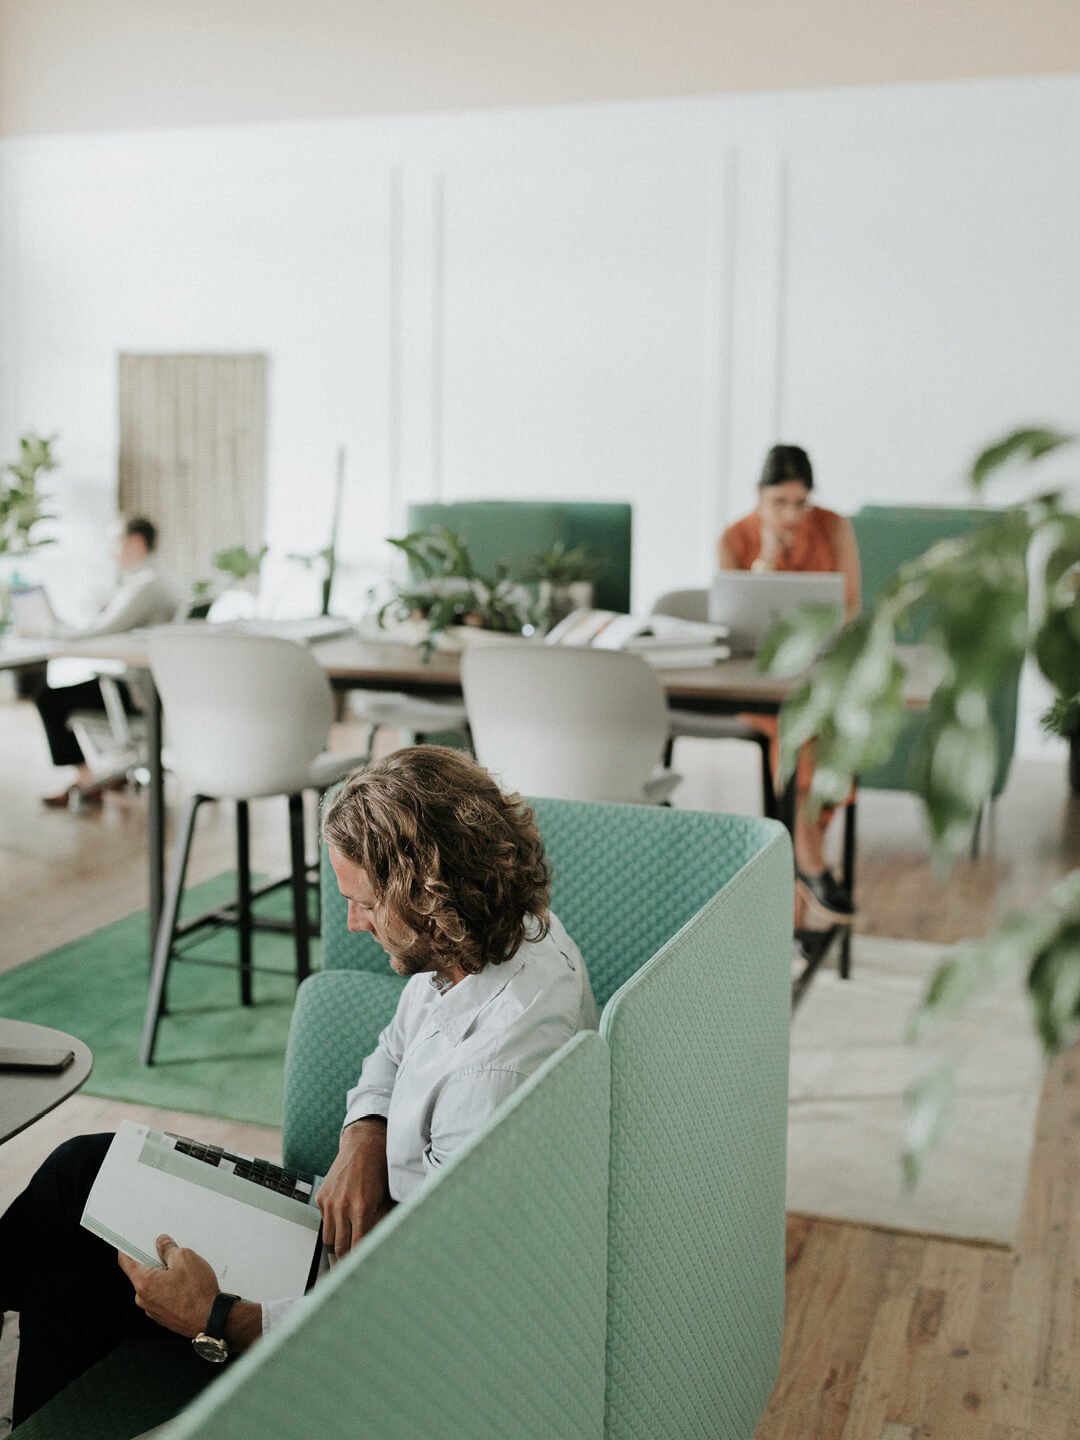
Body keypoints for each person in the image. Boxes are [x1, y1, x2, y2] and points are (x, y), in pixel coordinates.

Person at [0, 745, 598, 1425]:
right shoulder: (505, 936)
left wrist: (217, 1314)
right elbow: (391, 1052)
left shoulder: (496, 1074)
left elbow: (423, 1315)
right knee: (86, 1174)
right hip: (358, 1242)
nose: (352, 923)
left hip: (353, 1314)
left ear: (427, 899)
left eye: (364, 904)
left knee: (76, 1270)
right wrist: (363, 1135)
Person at [719, 443, 861, 929]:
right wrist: (766, 556)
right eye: (780, 503)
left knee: (826, 724)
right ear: (760, 496)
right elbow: (733, 624)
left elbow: (851, 607)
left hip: (821, 677)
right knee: (801, 724)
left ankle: (799, 886)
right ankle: (813, 863)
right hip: (758, 683)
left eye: (800, 503)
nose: (792, 515)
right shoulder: (734, 538)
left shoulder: (834, 527)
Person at [34, 514, 181, 808]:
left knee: (47, 697)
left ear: (136, 542)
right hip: (163, 689)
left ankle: (86, 778)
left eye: (114, 543)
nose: (110, 552)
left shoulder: (146, 585)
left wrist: (48, 630)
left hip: (141, 693)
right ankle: (102, 773)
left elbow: (102, 629)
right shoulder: (164, 578)